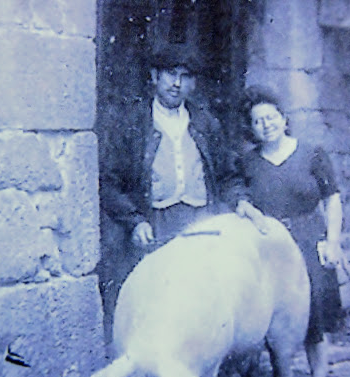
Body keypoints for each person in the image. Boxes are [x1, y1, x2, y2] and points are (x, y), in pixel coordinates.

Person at [238, 86, 343, 377]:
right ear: (251, 129)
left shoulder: (312, 154)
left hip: (309, 241)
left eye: (271, 117)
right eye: (258, 121)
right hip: (270, 245)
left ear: (284, 119)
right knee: (270, 318)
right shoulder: (248, 163)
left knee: (314, 320)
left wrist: (333, 241)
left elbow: (332, 199)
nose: (266, 125)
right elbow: (239, 198)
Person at [100, 47, 261, 260]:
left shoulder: (205, 123)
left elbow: (228, 175)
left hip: (201, 220)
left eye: (185, 77)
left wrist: (241, 201)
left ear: (193, 84)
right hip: (155, 223)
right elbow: (109, 183)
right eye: (171, 74)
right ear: (155, 76)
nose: (177, 83)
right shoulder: (134, 124)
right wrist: (135, 222)